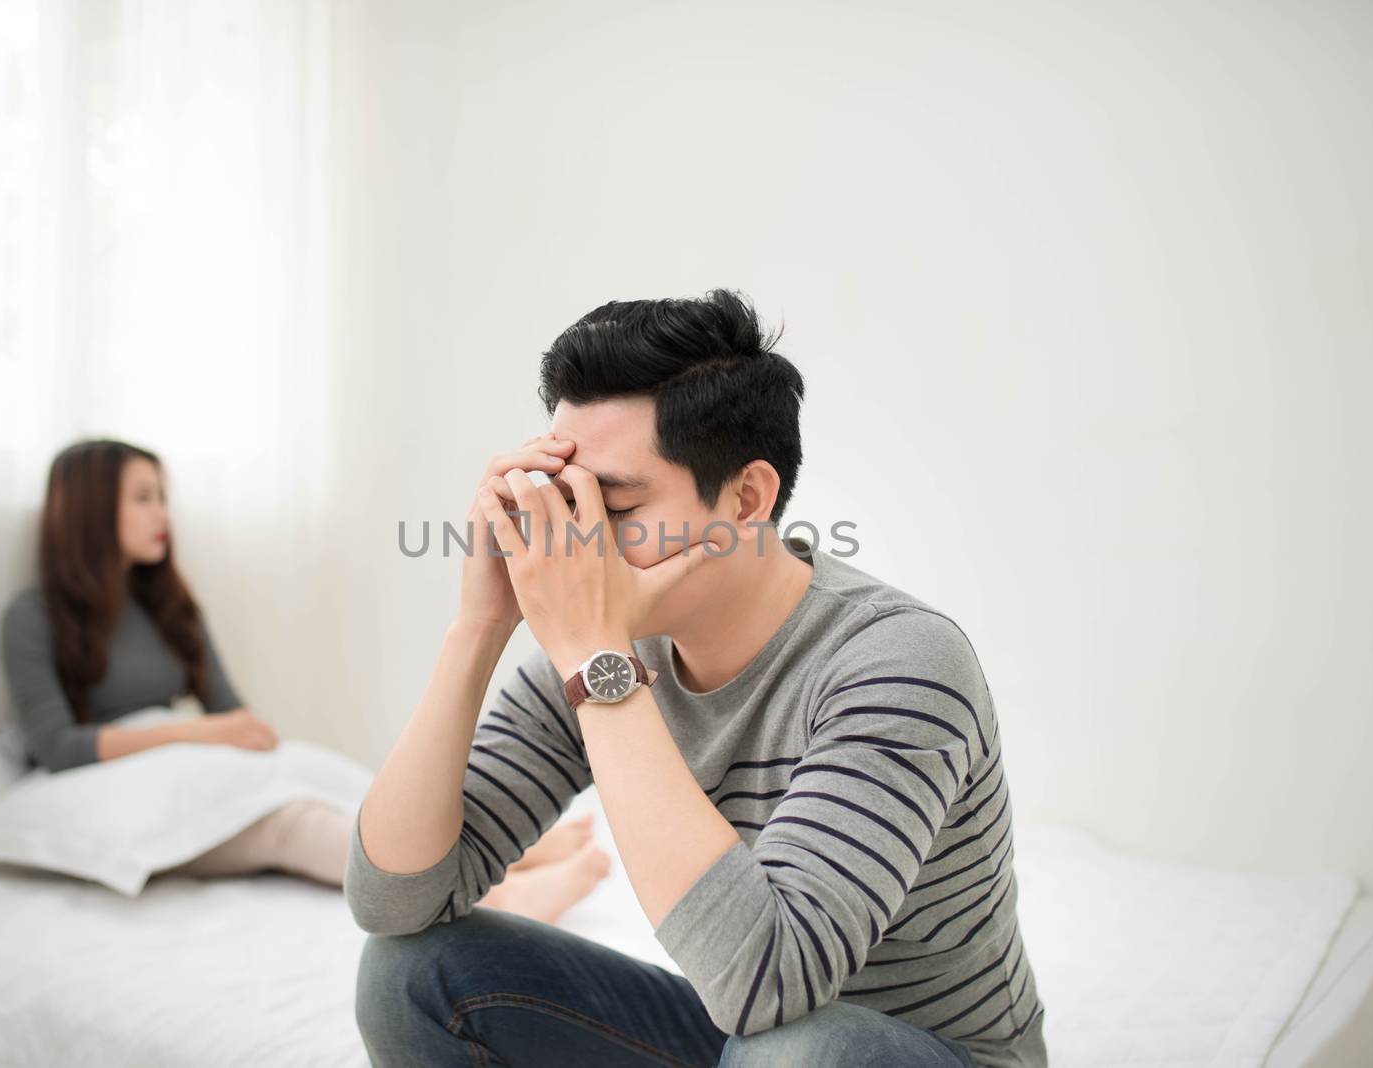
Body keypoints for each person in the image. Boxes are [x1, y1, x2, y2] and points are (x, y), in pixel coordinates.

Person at [346, 290, 1048, 1067]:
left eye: (614, 505)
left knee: (795, 1055)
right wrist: (476, 629)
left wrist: (591, 653)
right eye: (560, 499)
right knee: (410, 973)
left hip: (900, 1050)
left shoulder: (898, 659)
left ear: (747, 498)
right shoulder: (606, 644)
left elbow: (769, 985)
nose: (573, 540)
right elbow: (392, 901)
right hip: (740, 1030)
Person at [0, 438, 610, 921]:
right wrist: (203, 737)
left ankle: (493, 852)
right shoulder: (33, 617)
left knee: (322, 776)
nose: (162, 513)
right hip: (116, 791)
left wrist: (228, 735)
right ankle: (499, 899)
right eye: (142, 498)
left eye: (161, 495)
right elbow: (57, 746)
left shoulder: (169, 607)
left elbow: (232, 715)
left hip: (188, 762)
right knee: (287, 821)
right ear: (87, 507)